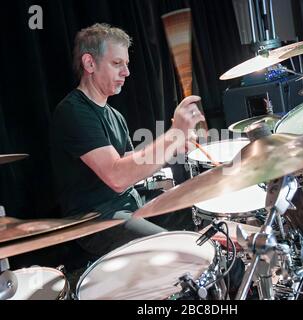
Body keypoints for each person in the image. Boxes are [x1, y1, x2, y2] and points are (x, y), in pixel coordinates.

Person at [50, 23, 204, 259]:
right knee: (176, 250)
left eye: (127, 64)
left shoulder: (115, 115)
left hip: (129, 204)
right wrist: (173, 134)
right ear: (89, 63)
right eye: (117, 63)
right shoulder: (73, 112)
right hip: (97, 220)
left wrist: (174, 146)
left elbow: (130, 170)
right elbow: (118, 177)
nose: (126, 72)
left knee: (196, 213)